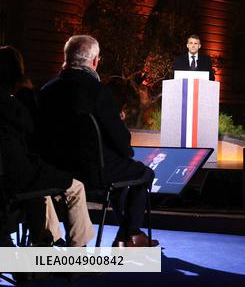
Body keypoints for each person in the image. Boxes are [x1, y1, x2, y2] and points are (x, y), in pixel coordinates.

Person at [36, 35, 157, 248]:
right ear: (94, 61)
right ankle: (128, 235)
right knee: (144, 174)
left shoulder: (46, 91)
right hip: (93, 173)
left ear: (66, 58)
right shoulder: (97, 90)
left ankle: (129, 235)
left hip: (56, 170)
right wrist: (125, 151)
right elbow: (119, 139)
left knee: (121, 178)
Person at [0, 46, 94, 247]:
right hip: (15, 175)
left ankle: (49, 238)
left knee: (41, 189)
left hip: (14, 173)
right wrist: (25, 93)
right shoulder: (10, 101)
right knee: (75, 187)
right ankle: (78, 253)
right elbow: (29, 127)